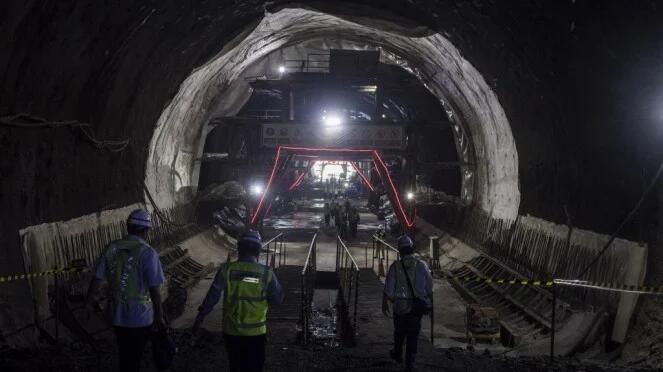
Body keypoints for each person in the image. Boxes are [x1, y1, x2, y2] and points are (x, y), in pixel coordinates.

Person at [87, 209, 166, 372]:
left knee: (125, 356)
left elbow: (96, 279)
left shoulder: (111, 248)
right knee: (134, 359)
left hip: (116, 315)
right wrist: (159, 317)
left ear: (128, 227)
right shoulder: (148, 253)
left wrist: (89, 302)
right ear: (146, 230)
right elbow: (155, 292)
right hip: (140, 318)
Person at [193, 230, 284, 372]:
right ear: (258, 250)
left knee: (235, 366)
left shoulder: (227, 270)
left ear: (239, 248)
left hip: (232, 332)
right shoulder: (266, 273)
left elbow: (212, 296)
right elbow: (278, 299)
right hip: (256, 333)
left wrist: (200, 318)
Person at [382, 236, 433, 372]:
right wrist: (429, 304)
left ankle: (397, 352)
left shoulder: (395, 267)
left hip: (400, 307)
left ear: (400, 250)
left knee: (399, 331)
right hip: (417, 307)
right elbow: (429, 288)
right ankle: (410, 363)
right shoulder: (422, 266)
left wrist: (386, 302)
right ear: (412, 249)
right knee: (413, 335)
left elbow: (389, 289)